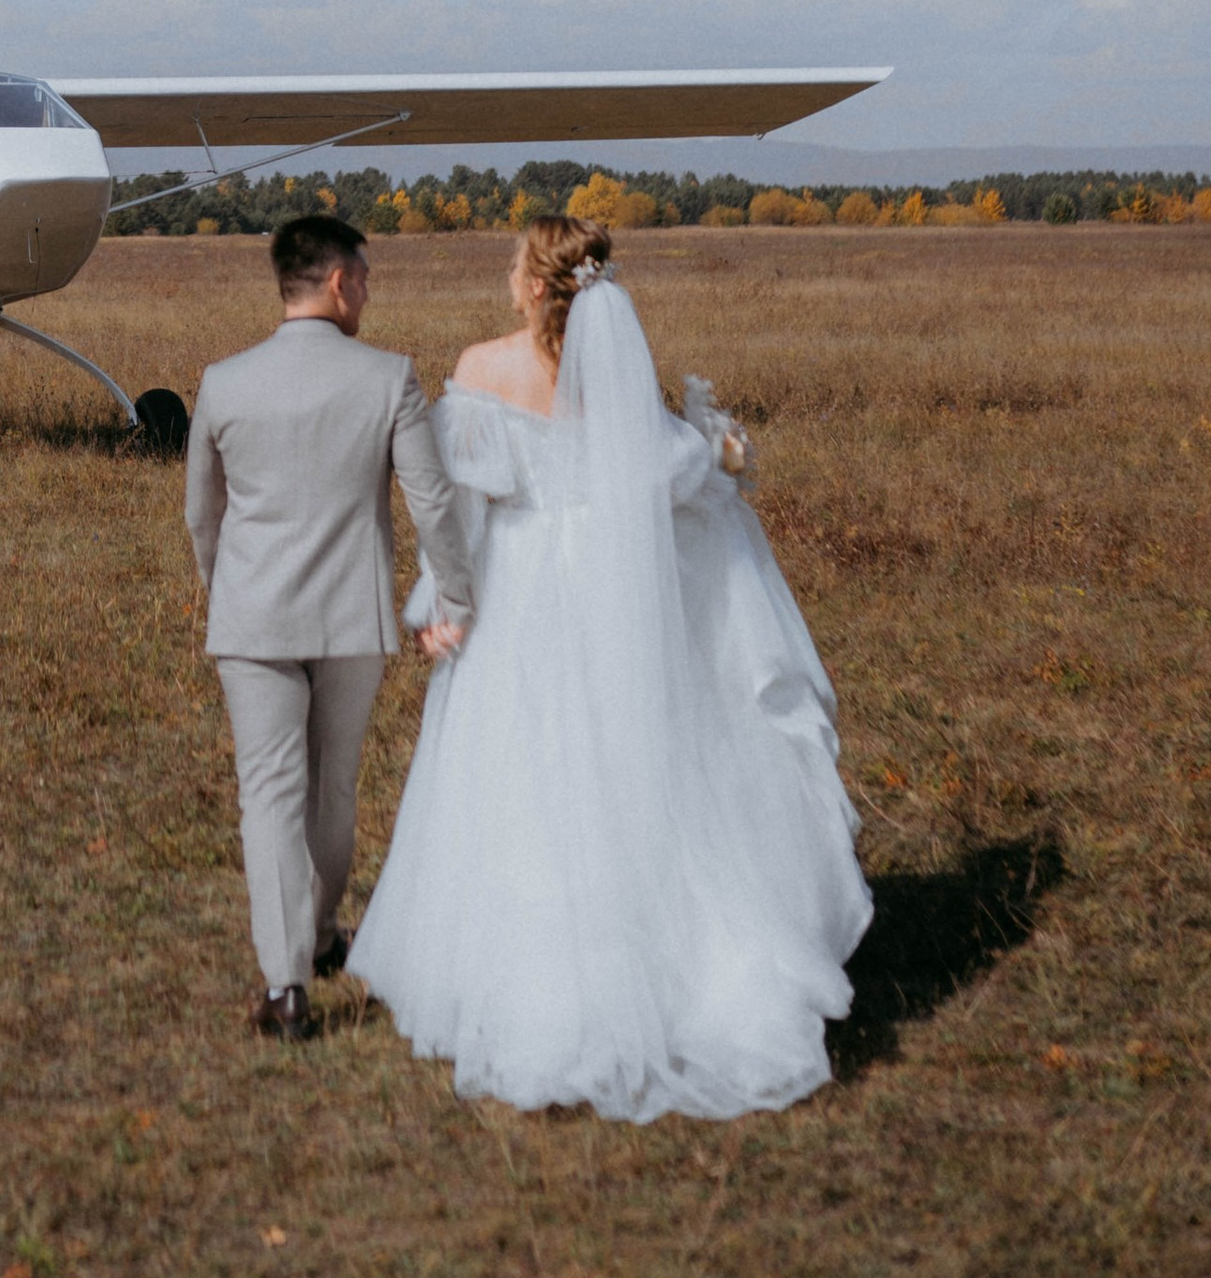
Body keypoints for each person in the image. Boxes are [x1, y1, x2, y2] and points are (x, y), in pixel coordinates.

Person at [351, 215, 872, 1120]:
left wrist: (442, 603)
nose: (508, 275)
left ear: (533, 284)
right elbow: (675, 475)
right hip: (612, 591)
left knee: (525, 774)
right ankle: (663, 958)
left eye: (515, 264)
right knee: (631, 763)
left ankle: (535, 982)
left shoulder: (483, 369)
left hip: (521, 589)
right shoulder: (623, 380)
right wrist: (716, 447)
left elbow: (459, 506)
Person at [185, 211, 478, 1044]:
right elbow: (432, 503)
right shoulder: (389, 377)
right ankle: (316, 936)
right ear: (341, 281)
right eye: (367, 281)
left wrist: (225, 588)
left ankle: (286, 987)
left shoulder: (223, 382)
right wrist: (457, 598)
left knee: (269, 795)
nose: (368, 296)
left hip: (252, 617)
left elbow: (201, 513)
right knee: (333, 789)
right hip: (353, 617)